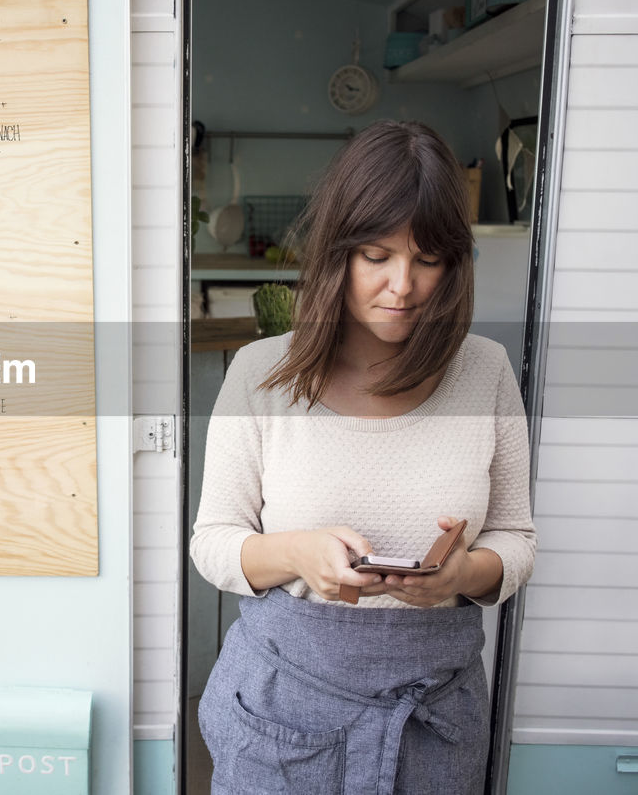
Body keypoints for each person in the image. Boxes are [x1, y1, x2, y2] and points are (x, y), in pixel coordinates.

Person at [191, 119, 536, 795]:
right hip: (281, 717)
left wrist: (464, 572)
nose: (402, 285)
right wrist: (297, 554)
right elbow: (214, 543)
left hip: (435, 719)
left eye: (427, 258)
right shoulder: (263, 373)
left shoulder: (486, 371)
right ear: (337, 253)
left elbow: (516, 539)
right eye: (376, 255)